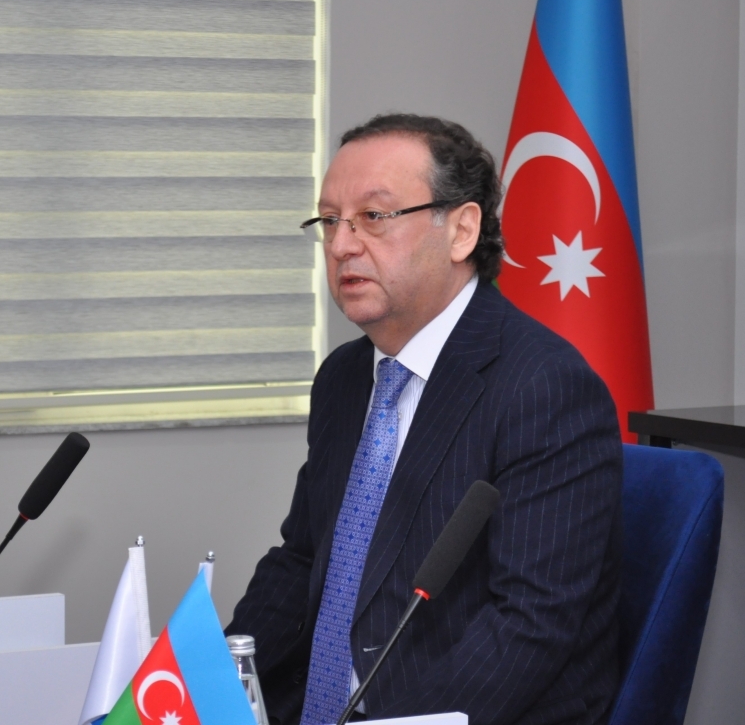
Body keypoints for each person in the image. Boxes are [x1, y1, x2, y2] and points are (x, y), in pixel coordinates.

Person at [226, 114, 622, 725]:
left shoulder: (544, 387)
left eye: (373, 216)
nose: (341, 245)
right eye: (329, 221)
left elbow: (528, 626)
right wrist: (212, 682)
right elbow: (303, 560)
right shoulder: (343, 377)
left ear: (461, 231)